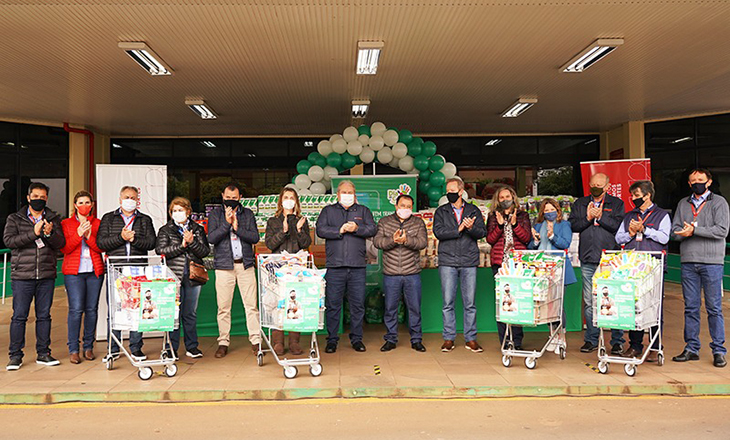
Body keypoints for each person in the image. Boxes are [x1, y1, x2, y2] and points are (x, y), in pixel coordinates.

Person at [4, 182, 65, 370]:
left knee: (44, 316)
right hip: (22, 276)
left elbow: (60, 243)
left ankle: (43, 353)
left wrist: (50, 233)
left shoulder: (53, 218)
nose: (39, 200)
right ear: (28, 198)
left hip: (45, 275)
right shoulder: (15, 218)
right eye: (36, 196)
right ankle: (15, 356)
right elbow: (9, 241)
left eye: (43, 197)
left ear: (47, 198)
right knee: (19, 316)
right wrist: (34, 233)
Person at [671, 169, 728, 368]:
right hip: (688, 261)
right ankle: (691, 348)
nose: (697, 183)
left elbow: (722, 230)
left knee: (713, 308)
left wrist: (695, 230)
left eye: (701, 180)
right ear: (689, 183)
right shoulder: (682, 204)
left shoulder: (719, 202)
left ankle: (719, 350)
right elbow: (674, 231)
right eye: (694, 180)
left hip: (712, 262)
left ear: (709, 182)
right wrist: (683, 233)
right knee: (691, 307)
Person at [316, 180, 376, 353]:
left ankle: (357, 339)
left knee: (357, 305)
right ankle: (332, 340)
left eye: (350, 193)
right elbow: (320, 230)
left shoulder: (363, 211)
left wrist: (357, 228)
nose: (347, 195)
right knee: (333, 304)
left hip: (357, 266)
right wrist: (339, 231)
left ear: (354, 194)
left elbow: (372, 229)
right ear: (338, 194)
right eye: (344, 192)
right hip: (335, 267)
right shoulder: (328, 211)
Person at [97, 185, 156, 362]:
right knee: (115, 309)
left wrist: (134, 239)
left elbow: (151, 243)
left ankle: (136, 348)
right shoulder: (108, 218)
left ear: (137, 200)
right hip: (116, 268)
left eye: (133, 197)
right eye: (126, 197)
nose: (130, 200)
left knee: (137, 309)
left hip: (138, 269)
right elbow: (101, 243)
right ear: (120, 199)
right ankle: (113, 348)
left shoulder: (144, 220)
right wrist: (120, 238)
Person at [568, 173, 625, 355]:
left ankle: (617, 341)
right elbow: (574, 225)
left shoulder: (616, 204)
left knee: (613, 299)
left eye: (599, 185)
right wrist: (587, 218)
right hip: (588, 258)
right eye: (593, 184)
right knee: (590, 302)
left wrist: (600, 217)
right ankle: (591, 339)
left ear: (607, 186)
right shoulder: (580, 203)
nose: (596, 187)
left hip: (611, 259)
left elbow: (619, 226)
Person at [614, 181, 670, 362]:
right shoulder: (629, 215)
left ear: (647, 196)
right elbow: (618, 238)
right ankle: (635, 345)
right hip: (632, 267)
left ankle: (655, 346)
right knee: (634, 306)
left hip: (653, 267)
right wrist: (630, 233)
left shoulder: (662, 215)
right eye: (632, 196)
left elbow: (664, 237)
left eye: (637, 195)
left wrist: (644, 229)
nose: (633, 199)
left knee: (654, 307)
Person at [433, 177, 487, 353]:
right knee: (448, 302)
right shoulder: (441, 211)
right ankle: (448, 338)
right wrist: (459, 229)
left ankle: (471, 338)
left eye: (453, 190)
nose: (450, 193)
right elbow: (438, 232)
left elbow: (482, 233)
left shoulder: (473, 210)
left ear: (462, 191)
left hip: (469, 261)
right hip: (447, 261)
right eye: (448, 191)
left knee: (469, 303)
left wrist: (470, 228)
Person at [207, 182, 261, 358]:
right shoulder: (215, 214)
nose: (231, 201)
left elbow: (255, 237)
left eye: (234, 198)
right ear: (223, 196)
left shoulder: (247, 214)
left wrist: (238, 228)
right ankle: (223, 342)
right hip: (224, 266)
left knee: (251, 306)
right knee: (223, 307)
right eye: (228, 198)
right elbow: (212, 238)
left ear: (240, 198)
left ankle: (256, 341)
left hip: (245, 264)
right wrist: (227, 224)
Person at [155, 197, 210, 360]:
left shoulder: (197, 229)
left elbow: (204, 251)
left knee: (190, 313)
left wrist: (192, 242)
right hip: (173, 275)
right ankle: (170, 348)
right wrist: (182, 245)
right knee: (172, 313)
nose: (178, 213)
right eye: (175, 210)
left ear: (188, 211)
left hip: (193, 276)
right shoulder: (166, 230)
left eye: (181, 210)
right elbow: (160, 250)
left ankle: (192, 347)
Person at [373, 194, 428, 352]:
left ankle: (416, 339)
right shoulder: (385, 222)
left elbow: (422, 243)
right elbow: (377, 242)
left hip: (412, 273)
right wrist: (393, 240)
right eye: (403, 206)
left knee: (414, 308)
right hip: (391, 274)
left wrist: (406, 240)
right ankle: (391, 339)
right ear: (396, 206)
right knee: (390, 308)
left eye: (409, 207)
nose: (405, 209)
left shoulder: (418, 222)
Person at [264, 187, 312, 356]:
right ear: (281, 200)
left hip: (297, 270)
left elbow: (306, 243)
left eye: (292, 197)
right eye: (286, 197)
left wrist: (298, 230)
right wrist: (283, 231)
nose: (289, 200)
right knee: (278, 305)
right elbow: (270, 244)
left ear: (296, 201)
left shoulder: (301, 220)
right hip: (277, 270)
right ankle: (278, 341)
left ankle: (294, 342)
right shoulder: (273, 221)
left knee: (294, 304)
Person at [60, 191, 104, 364]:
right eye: (81, 202)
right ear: (75, 205)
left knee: (92, 310)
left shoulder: (98, 223)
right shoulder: (66, 223)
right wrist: (78, 234)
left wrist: (88, 236)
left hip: (94, 272)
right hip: (74, 273)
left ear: (92, 205)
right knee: (76, 310)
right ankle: (73, 349)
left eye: (87, 202)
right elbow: (65, 248)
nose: (84, 205)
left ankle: (88, 347)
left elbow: (100, 247)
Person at [529, 198, 577, 353]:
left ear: (558, 210)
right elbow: (531, 246)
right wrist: (535, 241)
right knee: (547, 305)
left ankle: (561, 337)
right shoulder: (538, 226)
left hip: (559, 269)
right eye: (546, 210)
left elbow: (566, 243)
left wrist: (552, 236)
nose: (549, 212)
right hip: (543, 270)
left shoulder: (564, 225)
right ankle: (552, 336)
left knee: (558, 304)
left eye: (552, 209)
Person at [487, 185, 532, 350]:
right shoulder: (493, 216)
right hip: (500, 265)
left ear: (513, 198)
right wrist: (499, 225)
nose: (505, 200)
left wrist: (514, 225)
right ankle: (505, 342)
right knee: (502, 304)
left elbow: (526, 238)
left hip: (518, 265)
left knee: (517, 302)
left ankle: (517, 342)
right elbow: (490, 240)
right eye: (501, 198)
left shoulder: (523, 215)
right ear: (497, 201)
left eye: (507, 197)